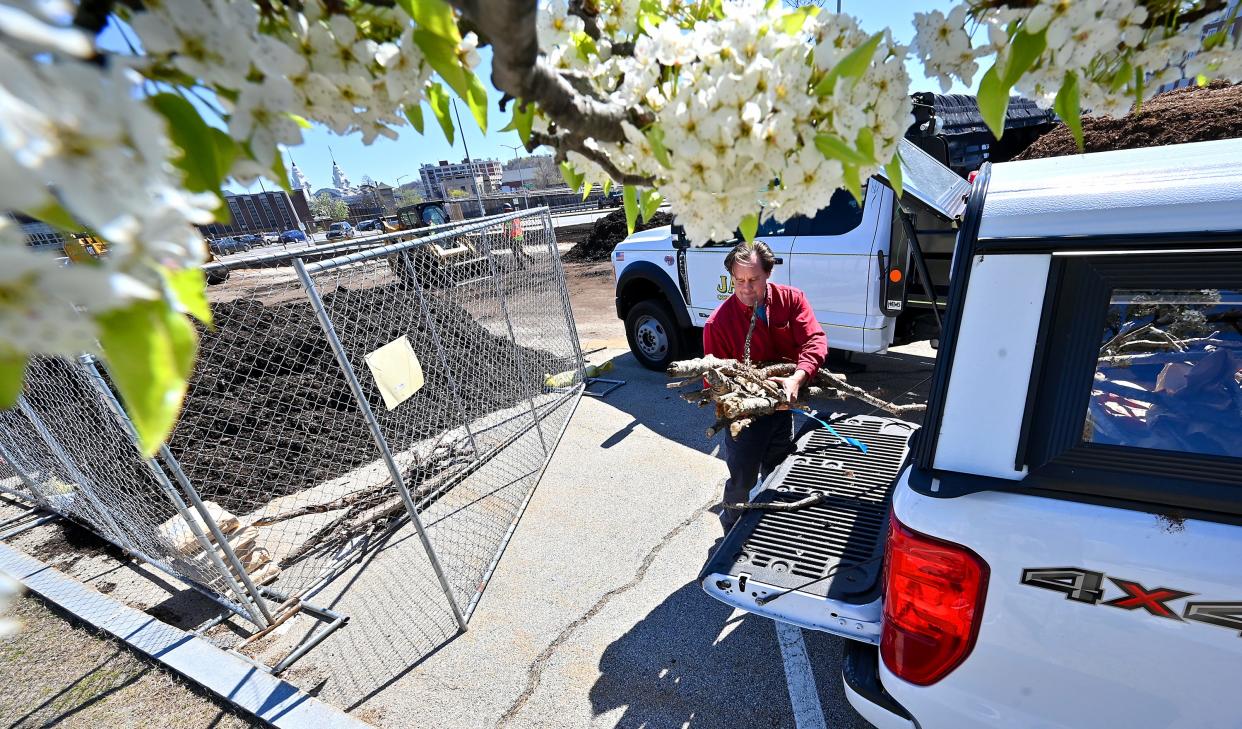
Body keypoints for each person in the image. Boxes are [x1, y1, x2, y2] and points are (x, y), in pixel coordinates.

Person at [703, 239, 827, 532]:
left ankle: (773, 522)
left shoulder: (791, 300)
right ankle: (730, 530)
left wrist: (798, 376)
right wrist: (746, 398)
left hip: (783, 407)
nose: (747, 288)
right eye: (739, 280)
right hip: (743, 418)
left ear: (768, 273)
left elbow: (815, 340)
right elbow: (713, 381)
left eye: (754, 280)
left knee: (780, 469)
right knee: (742, 480)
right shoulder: (717, 324)